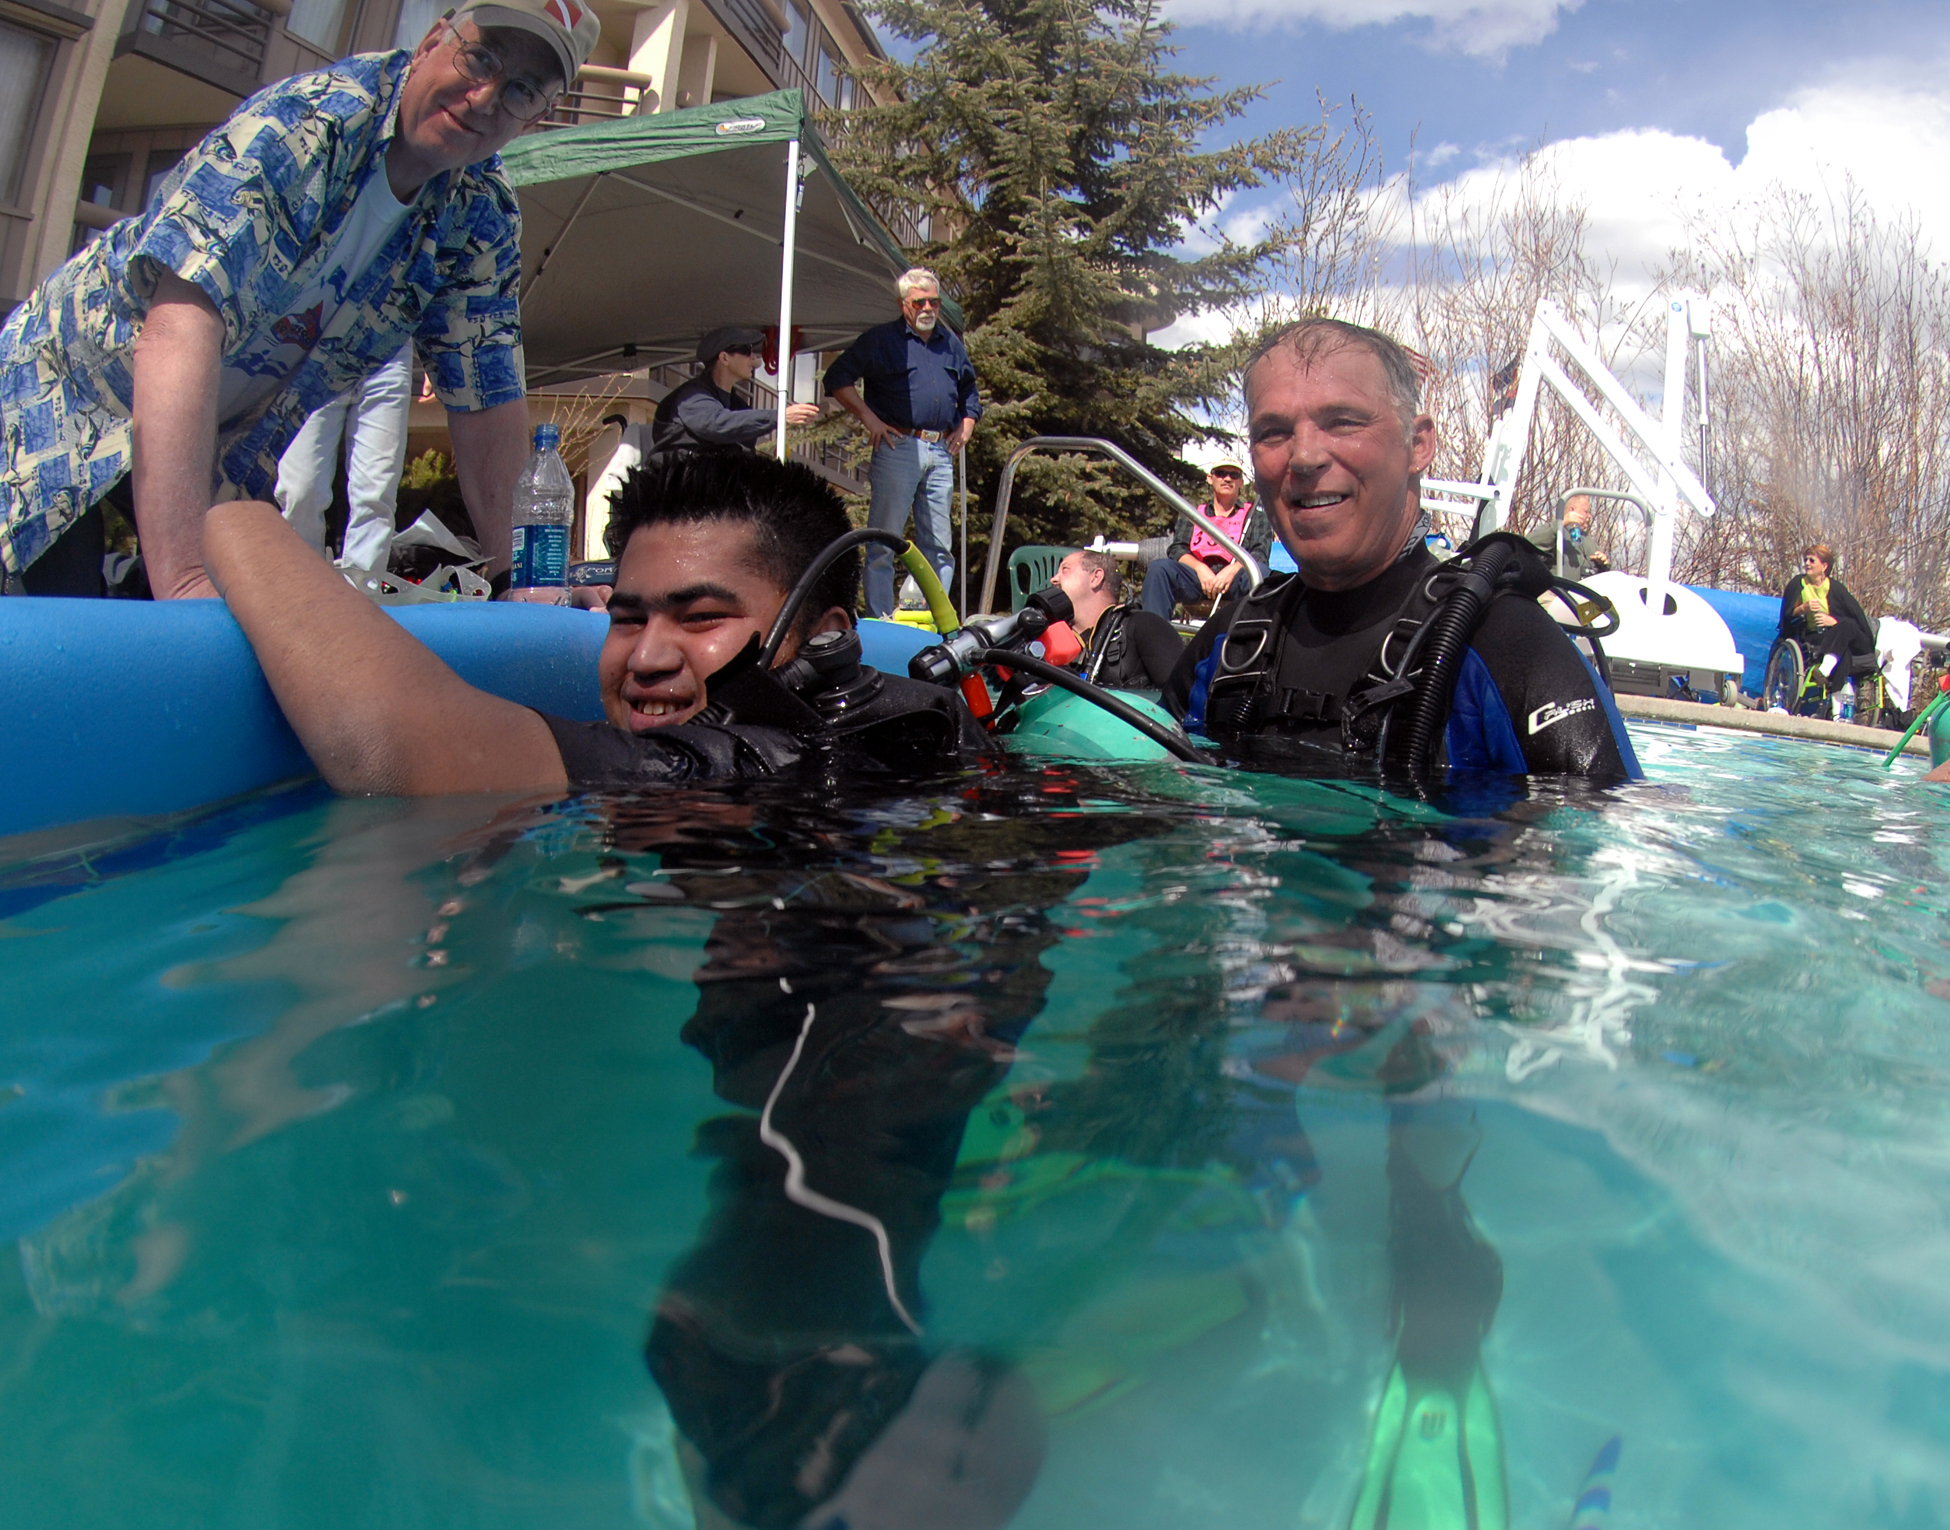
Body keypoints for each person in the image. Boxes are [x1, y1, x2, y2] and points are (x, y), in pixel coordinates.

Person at [0, 0, 599, 599]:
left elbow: (487, 403)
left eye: (521, 90)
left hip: (210, 454)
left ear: (535, 116)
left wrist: (525, 587)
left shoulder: (481, 214)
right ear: (431, 42)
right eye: (480, 59)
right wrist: (183, 583)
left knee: (235, 642)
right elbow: (178, 326)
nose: (484, 97)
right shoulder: (309, 124)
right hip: (54, 406)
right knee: (45, 635)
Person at [202, 450, 993, 796]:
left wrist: (228, 504)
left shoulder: (740, 758)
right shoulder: (916, 716)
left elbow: (385, 745)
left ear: (825, 635)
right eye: (625, 617)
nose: (646, 657)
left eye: (703, 617)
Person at [1164, 317, 1641, 780]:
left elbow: (1605, 846)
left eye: (1344, 422)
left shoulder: (1505, 643)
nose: (1304, 456)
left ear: (1418, 444)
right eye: (1273, 432)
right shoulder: (1233, 640)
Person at [824, 268, 981, 617]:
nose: (928, 308)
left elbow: (970, 388)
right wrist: (868, 418)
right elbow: (837, 377)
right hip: (898, 447)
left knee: (939, 546)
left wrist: (967, 423)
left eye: (934, 301)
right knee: (884, 539)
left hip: (941, 451)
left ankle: (931, 618)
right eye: (919, 302)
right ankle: (881, 618)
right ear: (903, 304)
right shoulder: (881, 340)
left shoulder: (950, 344)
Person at [585, 325, 821, 555]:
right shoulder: (693, 395)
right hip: (677, 502)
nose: (755, 360)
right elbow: (714, 424)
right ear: (725, 357)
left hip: (708, 502)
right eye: (747, 351)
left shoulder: (736, 404)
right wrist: (778, 416)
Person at [275, 344, 414, 573]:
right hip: (314, 349)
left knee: (376, 494)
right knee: (300, 491)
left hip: (389, 351)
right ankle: (302, 584)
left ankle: (364, 595)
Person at [1139, 459, 1274, 620]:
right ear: (1210, 478)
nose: (1227, 479)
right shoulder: (1193, 514)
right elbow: (1177, 549)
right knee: (1159, 570)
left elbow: (1260, 553)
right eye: (1221, 473)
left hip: (1237, 578)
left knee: (1263, 574)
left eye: (1234, 475)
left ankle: (1258, 635)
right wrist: (1201, 569)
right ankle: (1154, 637)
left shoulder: (1255, 517)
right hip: (1197, 578)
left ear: (1241, 482)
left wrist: (1231, 571)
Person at [1051, 547, 1184, 690]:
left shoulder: (1145, 627)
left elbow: (1179, 697)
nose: (1054, 579)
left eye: (1065, 570)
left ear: (1096, 578)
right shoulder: (1048, 641)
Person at [1777, 542, 1873, 695]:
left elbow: (1854, 615)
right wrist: (1804, 608)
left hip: (1836, 634)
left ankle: (1825, 669)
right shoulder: (1798, 583)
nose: (1807, 564)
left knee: (1847, 625)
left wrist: (1834, 621)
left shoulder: (1836, 589)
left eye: (1812, 560)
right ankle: (1837, 709)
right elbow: (1787, 615)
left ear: (1824, 566)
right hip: (1813, 636)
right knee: (1844, 654)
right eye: (1806, 560)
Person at [1526, 492, 1609, 580]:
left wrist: (1603, 564)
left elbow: (1605, 573)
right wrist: (1561, 523)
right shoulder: (1553, 531)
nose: (1589, 516)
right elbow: (1529, 545)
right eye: (1586, 512)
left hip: (1584, 591)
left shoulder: (1588, 539)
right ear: (1571, 510)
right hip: (1558, 591)